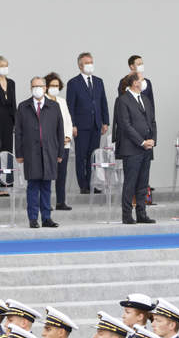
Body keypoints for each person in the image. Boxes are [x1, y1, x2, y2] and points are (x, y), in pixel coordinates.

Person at [15, 76, 63, 228]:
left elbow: (59, 131)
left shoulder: (53, 106)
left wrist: (60, 152)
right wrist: (19, 153)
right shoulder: (23, 106)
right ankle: (33, 218)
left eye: (40, 86)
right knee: (33, 186)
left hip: (49, 152)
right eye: (34, 86)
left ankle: (47, 218)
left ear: (45, 88)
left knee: (46, 186)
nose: (37, 89)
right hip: (31, 152)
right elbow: (19, 132)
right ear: (31, 88)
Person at [115, 73, 157, 225]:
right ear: (134, 83)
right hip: (132, 148)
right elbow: (125, 125)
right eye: (141, 79)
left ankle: (142, 213)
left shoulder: (145, 99)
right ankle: (127, 215)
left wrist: (153, 140)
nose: (143, 82)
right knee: (130, 182)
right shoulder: (123, 100)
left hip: (147, 148)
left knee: (143, 183)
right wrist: (141, 142)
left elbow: (152, 121)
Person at [66, 52, 109, 194]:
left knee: (93, 156)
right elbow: (70, 106)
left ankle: (92, 183)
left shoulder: (98, 81)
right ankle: (83, 185)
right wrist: (72, 125)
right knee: (81, 156)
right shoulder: (73, 83)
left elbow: (103, 102)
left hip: (96, 124)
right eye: (86, 62)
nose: (90, 65)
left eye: (91, 61)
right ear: (80, 65)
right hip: (81, 126)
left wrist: (105, 121)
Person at [43, 73, 73, 211]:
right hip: (50, 145)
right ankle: (45, 203)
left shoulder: (62, 101)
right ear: (46, 87)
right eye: (52, 85)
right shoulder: (42, 101)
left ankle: (61, 202)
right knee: (47, 175)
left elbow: (67, 121)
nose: (55, 88)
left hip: (64, 144)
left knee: (62, 175)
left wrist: (67, 137)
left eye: (57, 86)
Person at [0, 56, 16, 197]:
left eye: (6, 65)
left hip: (8, 122)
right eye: (1, 65)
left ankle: (7, 184)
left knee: (7, 153)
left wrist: (16, 123)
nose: (4, 68)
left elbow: (13, 103)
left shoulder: (11, 83)